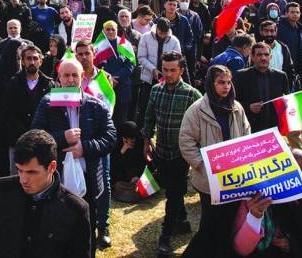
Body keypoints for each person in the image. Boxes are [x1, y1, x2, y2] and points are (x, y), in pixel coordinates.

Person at [32, 57, 117, 256]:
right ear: (59, 78)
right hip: (56, 179)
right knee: (55, 229)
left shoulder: (96, 105)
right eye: (66, 75)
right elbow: (35, 135)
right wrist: (62, 138)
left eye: (74, 75)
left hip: (89, 179)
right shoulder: (47, 103)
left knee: (85, 228)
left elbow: (111, 137)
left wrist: (84, 148)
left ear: (82, 77)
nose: (70, 80)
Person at [0, 129, 91, 258]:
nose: (23, 179)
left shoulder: (75, 209)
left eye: (31, 172)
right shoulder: (0, 191)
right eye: (19, 170)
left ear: (52, 167)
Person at [179, 65, 251, 258]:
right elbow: (186, 142)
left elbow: (246, 134)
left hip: (235, 178)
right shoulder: (197, 110)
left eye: (228, 82)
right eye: (221, 82)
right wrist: (204, 166)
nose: (226, 86)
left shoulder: (237, 108)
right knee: (210, 224)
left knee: (230, 222)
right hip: (209, 182)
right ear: (211, 84)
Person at [142, 51, 201, 255]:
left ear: (181, 70)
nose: (167, 74)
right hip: (161, 151)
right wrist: (146, 140)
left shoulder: (192, 94)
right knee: (171, 189)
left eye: (172, 70)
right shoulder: (156, 91)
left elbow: (200, 126)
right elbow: (149, 118)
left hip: (181, 154)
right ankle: (182, 220)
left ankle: (165, 236)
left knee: (173, 194)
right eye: (165, 70)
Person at [0, 44, 56, 176]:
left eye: (35, 58)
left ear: (41, 61)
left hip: (43, 141)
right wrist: (26, 135)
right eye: (28, 59)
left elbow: (52, 114)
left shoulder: (49, 84)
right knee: (18, 177)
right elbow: (8, 113)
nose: (32, 62)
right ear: (22, 61)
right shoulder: (13, 83)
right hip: (18, 140)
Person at [233, 41, 291, 133]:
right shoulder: (241, 76)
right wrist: (248, 107)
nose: (263, 58)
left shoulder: (280, 76)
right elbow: (233, 102)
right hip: (249, 128)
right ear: (252, 57)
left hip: (273, 128)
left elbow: (287, 99)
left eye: (266, 54)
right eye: (259, 55)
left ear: (270, 57)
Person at [98, 21, 137, 124]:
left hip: (122, 88)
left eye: (113, 29)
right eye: (108, 29)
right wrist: (107, 79)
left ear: (117, 30)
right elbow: (95, 66)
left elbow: (131, 64)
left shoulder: (125, 45)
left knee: (121, 121)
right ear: (103, 31)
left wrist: (116, 78)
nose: (111, 32)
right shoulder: (98, 46)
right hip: (104, 87)